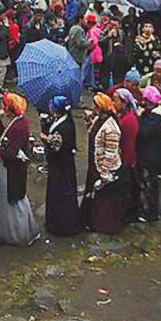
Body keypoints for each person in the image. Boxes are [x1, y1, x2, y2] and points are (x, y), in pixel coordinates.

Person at [0, 92, 41, 246]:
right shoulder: (19, 122)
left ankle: (18, 233)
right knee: (15, 199)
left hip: (12, 169)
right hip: (13, 168)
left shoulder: (19, 126)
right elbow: (7, 139)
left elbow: (10, 151)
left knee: (14, 201)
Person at [80, 93, 124, 234]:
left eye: (96, 106)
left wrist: (104, 173)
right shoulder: (99, 120)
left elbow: (110, 153)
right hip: (95, 164)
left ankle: (102, 225)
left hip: (104, 168)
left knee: (103, 199)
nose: (94, 109)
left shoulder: (111, 128)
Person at [41, 96, 82, 236]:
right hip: (60, 165)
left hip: (61, 166)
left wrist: (46, 139)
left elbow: (56, 146)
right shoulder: (62, 120)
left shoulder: (64, 126)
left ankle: (62, 225)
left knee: (61, 194)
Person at [136, 86, 161, 222]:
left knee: (149, 184)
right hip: (149, 155)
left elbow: (144, 133)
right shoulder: (149, 114)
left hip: (151, 156)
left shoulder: (155, 117)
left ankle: (150, 212)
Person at [114, 88, 141, 223]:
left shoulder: (129, 120)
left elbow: (128, 145)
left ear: (124, 103)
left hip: (127, 161)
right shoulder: (122, 116)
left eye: (116, 100)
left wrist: (124, 164)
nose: (114, 103)